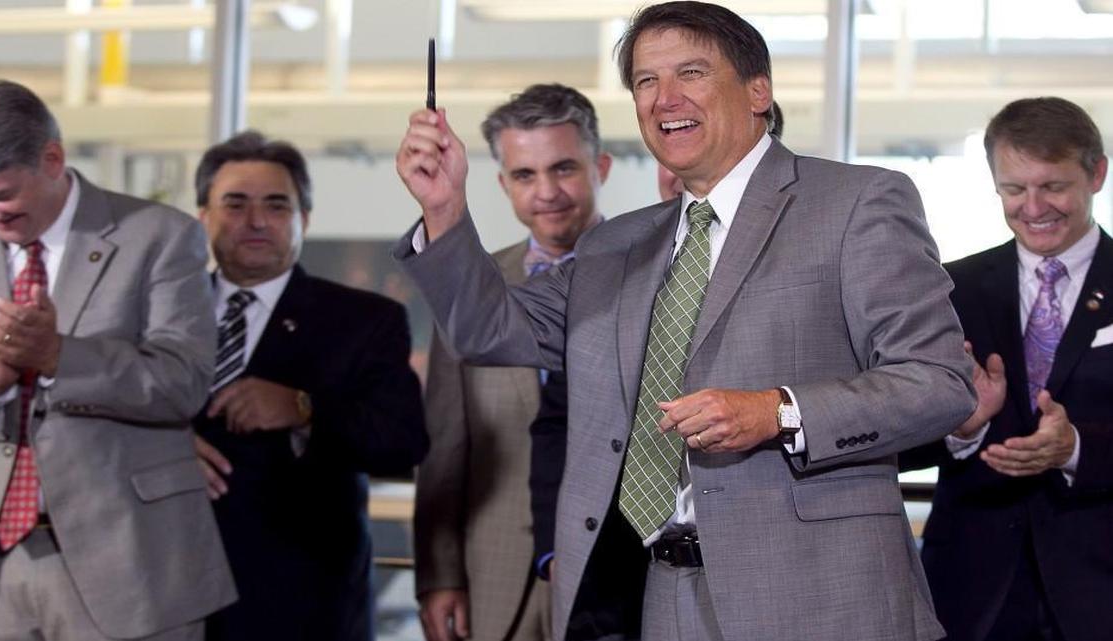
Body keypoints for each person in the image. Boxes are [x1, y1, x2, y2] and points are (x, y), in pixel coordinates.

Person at [395, 2, 976, 639]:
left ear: (758, 91)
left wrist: (778, 412)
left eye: (691, 73)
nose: (665, 97)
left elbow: (939, 382)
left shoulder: (857, 202)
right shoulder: (613, 247)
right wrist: (445, 209)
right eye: (646, 80)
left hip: (820, 598)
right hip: (659, 597)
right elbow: (487, 330)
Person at [0, 79, 235, 640]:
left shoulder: (160, 237)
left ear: (52, 160)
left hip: (129, 566)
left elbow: (183, 382)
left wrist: (57, 356)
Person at [191, 130, 428, 641]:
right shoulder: (159, 314)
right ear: (203, 216)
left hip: (302, 605)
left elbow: (402, 441)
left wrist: (305, 409)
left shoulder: (364, 320)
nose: (256, 220)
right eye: (235, 204)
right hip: (167, 596)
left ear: (305, 219)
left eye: (276, 205)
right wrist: (163, 447)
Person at [900, 97, 1113, 641]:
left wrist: (1075, 449)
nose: (1033, 207)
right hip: (970, 590)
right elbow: (892, 434)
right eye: (1014, 189)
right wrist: (961, 428)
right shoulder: (950, 289)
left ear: (1097, 174)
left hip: (1100, 585)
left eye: (1053, 186)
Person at [415, 83, 617, 641]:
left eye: (564, 168)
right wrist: (438, 575)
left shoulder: (653, 274)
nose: (546, 192)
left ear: (600, 167)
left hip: (617, 571)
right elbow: (445, 444)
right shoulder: (470, 289)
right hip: (495, 572)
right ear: (504, 185)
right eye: (525, 175)